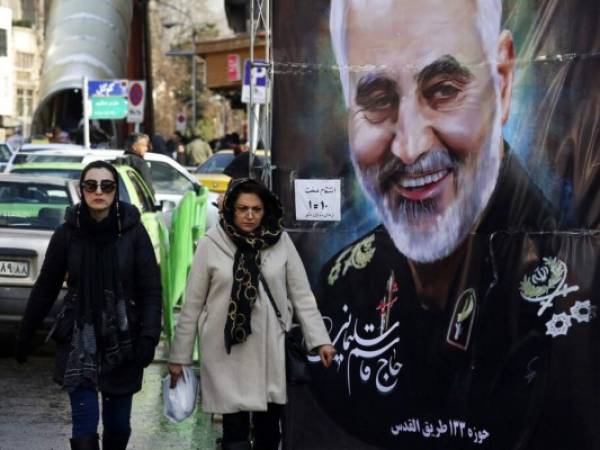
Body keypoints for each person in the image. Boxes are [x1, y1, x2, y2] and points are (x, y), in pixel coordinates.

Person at [294, 1, 598, 449]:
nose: (411, 146)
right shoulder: (340, 297)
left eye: (444, 89)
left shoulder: (575, 309)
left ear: (504, 81)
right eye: (377, 100)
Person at [168, 178, 336, 450]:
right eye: (242, 208)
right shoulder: (212, 243)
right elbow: (192, 305)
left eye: (256, 209)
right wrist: (179, 357)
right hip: (225, 352)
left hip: (269, 350)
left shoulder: (280, 241)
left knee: (269, 431)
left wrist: (320, 340)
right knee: (235, 434)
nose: (249, 215)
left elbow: (302, 295)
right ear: (230, 210)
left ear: (265, 210)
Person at [14, 160, 162, 450]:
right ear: (81, 190)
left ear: (115, 190)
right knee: (84, 428)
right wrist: (26, 332)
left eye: (106, 186)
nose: (98, 191)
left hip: (123, 339)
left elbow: (151, 290)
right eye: (90, 185)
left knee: (118, 428)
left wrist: (149, 336)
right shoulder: (67, 233)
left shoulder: (133, 232)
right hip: (79, 338)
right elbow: (46, 286)